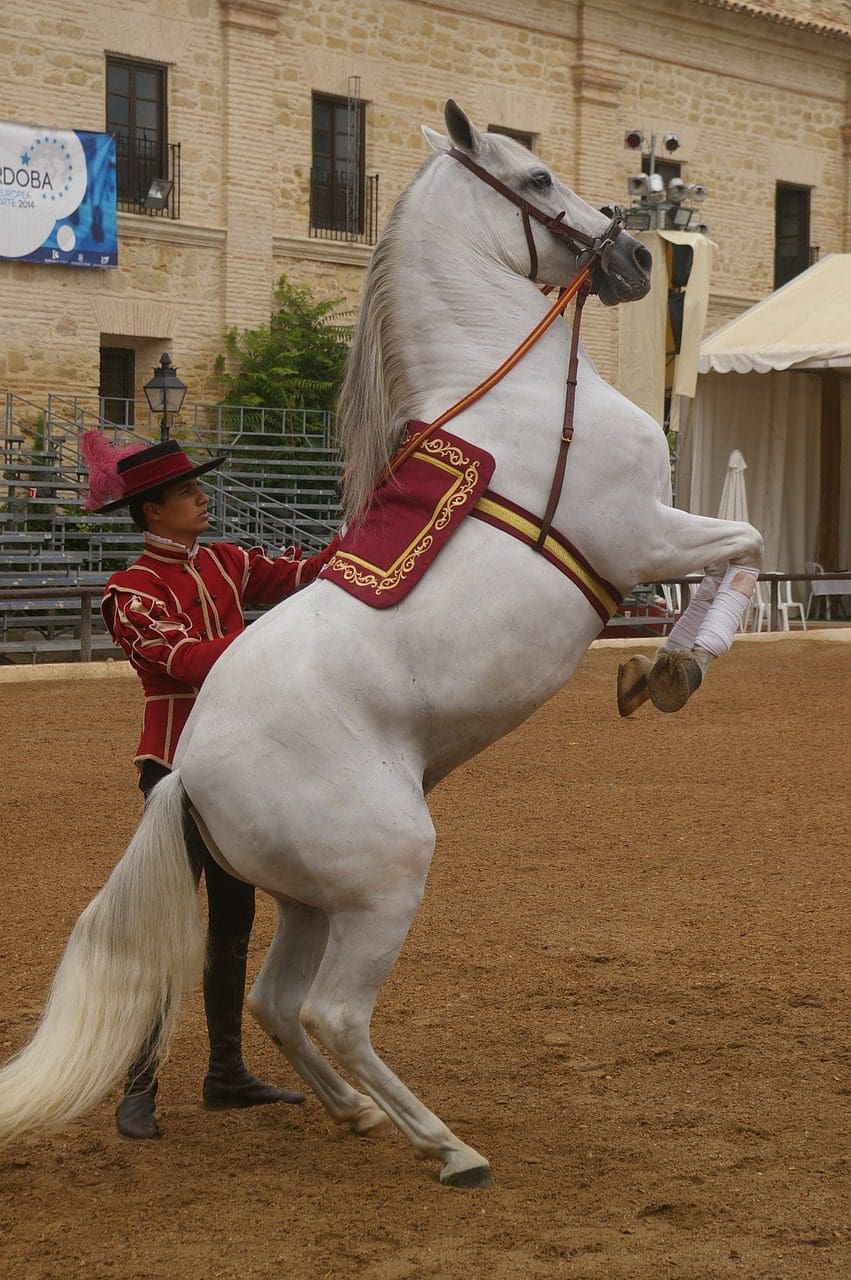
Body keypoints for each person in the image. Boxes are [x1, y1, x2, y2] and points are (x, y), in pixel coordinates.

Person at [82, 432, 338, 1139]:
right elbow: (188, 661)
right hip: (174, 774)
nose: (204, 497)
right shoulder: (128, 591)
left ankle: (225, 1073)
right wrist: (274, 641)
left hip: (239, 769)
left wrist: (372, 526)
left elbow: (306, 575)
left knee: (232, 925)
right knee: (167, 928)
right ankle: (140, 1086)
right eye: (189, 491)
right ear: (153, 514)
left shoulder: (226, 562)